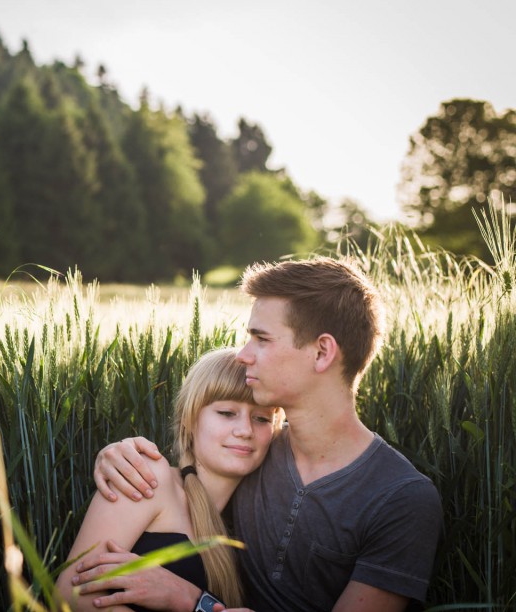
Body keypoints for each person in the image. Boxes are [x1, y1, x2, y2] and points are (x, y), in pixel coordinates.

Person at [81, 257, 443, 612]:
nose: (243, 355)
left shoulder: (401, 498)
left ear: (321, 353)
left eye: (261, 338)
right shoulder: (252, 453)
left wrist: (196, 604)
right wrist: (116, 453)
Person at [55, 347, 283, 611]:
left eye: (261, 418)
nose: (245, 430)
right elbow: (69, 596)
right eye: (226, 413)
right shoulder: (148, 477)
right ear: (189, 418)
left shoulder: (255, 518)